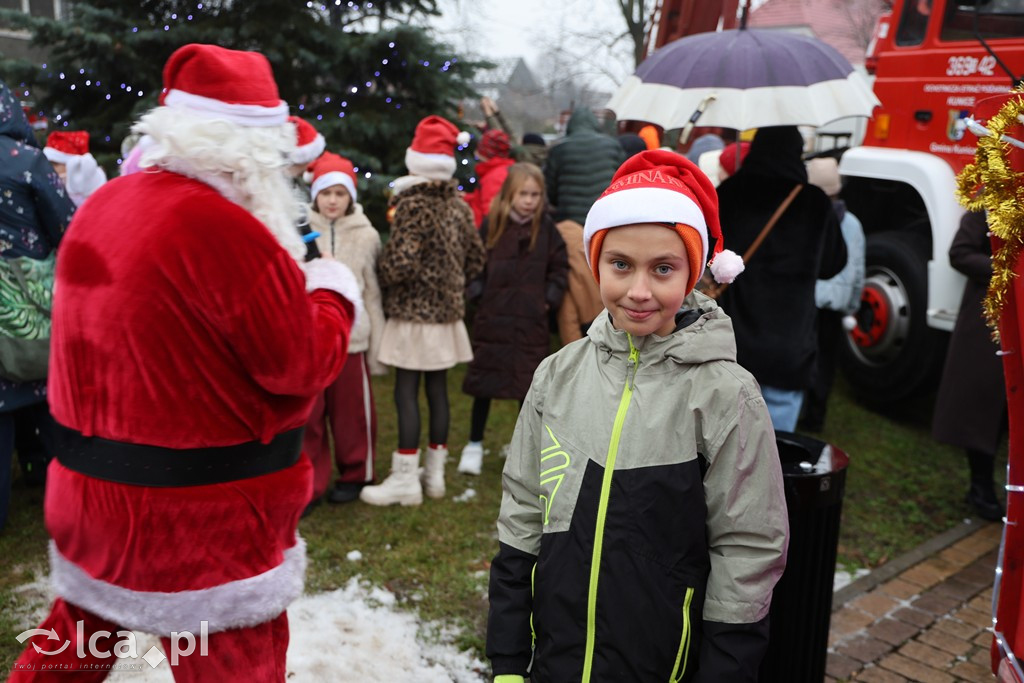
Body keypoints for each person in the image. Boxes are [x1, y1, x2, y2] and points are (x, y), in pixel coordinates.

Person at [12, 44, 361, 677]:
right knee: (234, 663)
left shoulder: (104, 206)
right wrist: (332, 292)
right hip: (202, 524)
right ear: (255, 153)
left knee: (72, 646)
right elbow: (300, 363)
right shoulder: (229, 231)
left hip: (92, 499)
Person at [487, 149, 787, 683]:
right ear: (596, 263)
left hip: (660, 664)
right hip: (554, 660)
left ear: (692, 273)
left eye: (663, 268)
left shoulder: (726, 394)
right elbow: (523, 510)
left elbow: (747, 546)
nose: (639, 291)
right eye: (621, 264)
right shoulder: (557, 374)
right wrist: (509, 658)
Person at [362, 115, 486, 506]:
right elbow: (476, 259)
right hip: (446, 316)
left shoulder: (412, 205)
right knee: (437, 392)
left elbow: (401, 263)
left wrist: (382, 272)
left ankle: (405, 480)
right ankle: (434, 477)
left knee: (405, 392)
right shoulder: (459, 207)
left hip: (413, 315)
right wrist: (451, 282)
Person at [716, 126, 847, 432]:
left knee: (722, 442)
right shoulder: (814, 201)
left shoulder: (731, 192)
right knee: (775, 450)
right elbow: (833, 264)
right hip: (789, 343)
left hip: (732, 339)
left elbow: (707, 251)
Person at [457, 164, 568, 475]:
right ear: (510, 194)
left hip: (530, 323)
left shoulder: (546, 229)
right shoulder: (493, 225)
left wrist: (548, 300)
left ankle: (523, 449)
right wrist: (478, 293)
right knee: (483, 385)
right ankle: (474, 444)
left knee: (527, 388)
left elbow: (560, 268)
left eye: (535, 194)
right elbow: (474, 263)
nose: (529, 201)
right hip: (493, 321)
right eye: (524, 194)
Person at [0, 80, 76, 534]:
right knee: (45, 392)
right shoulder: (26, 161)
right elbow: (68, 227)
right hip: (26, 301)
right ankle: (60, 494)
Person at [304, 152, 386, 506]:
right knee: (309, 416)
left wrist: (377, 345)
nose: (333, 200)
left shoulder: (366, 235)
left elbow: (372, 292)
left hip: (352, 339)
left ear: (350, 196)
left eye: (340, 193)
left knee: (353, 413)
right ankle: (310, 482)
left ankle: (356, 472)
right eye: (326, 193)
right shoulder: (300, 230)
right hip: (311, 339)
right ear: (315, 196)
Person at [932, 210, 1006, 521]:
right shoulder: (989, 203)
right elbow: (960, 253)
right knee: (984, 409)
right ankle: (980, 486)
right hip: (990, 322)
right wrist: (1008, 270)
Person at [801, 157, 866, 432]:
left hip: (806, 300)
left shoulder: (805, 216)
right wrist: (852, 305)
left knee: (802, 354)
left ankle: (796, 409)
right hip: (835, 305)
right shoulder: (852, 223)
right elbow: (858, 268)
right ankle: (816, 416)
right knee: (826, 361)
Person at [544, 108, 625, 225]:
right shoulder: (613, 146)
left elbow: (550, 190)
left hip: (570, 218)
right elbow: (623, 179)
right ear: (595, 124)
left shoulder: (559, 149)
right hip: (604, 216)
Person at [464, 129, 515, 228]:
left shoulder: (493, 177)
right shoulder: (501, 170)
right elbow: (483, 196)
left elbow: (490, 210)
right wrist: (467, 197)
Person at [42, 130, 107, 206]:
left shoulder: (89, 188)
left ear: (71, 165)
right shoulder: (52, 186)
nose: (49, 167)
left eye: (55, 164)